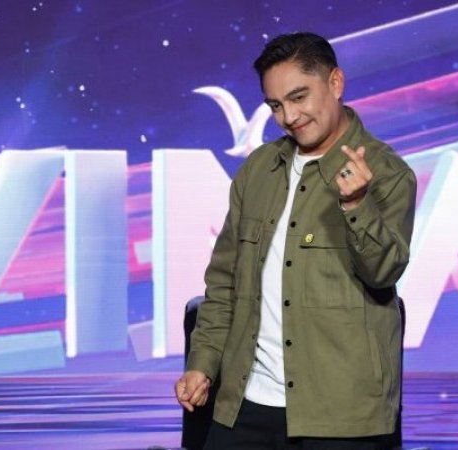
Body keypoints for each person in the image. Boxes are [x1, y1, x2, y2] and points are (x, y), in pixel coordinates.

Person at [175, 32, 417, 449]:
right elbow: (225, 283)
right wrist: (203, 364)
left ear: (335, 83)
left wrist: (356, 205)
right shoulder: (258, 170)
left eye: (299, 97)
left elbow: (384, 273)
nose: (289, 116)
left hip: (342, 416)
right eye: (275, 105)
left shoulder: (388, 173)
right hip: (245, 405)